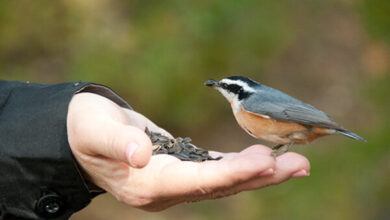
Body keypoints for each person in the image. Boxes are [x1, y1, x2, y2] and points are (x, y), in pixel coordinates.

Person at [0, 80, 310, 219]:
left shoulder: (255, 103)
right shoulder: (246, 106)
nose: (221, 90)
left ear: (241, 93)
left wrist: (63, 127)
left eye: (228, 88)